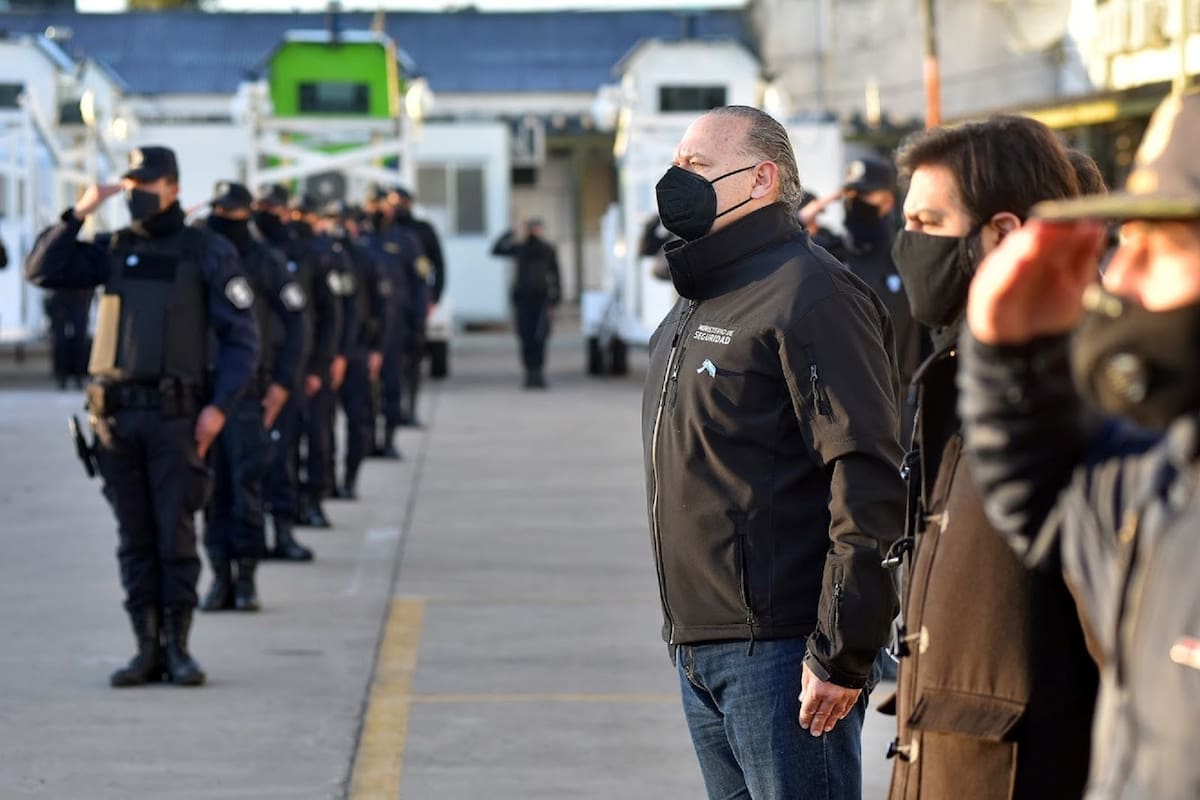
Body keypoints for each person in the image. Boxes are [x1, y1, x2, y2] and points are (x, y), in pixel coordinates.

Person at [644, 105, 905, 799]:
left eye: (696, 166)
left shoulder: (809, 292)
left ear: (761, 179)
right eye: (675, 164)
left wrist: (841, 651)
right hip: (701, 645)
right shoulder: (700, 295)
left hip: (783, 650)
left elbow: (868, 474)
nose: (676, 180)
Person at [960, 91, 1200, 800]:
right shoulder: (1169, 473)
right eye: (1126, 241)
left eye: (1163, 249)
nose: (1119, 278)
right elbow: (1055, 507)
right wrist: (1012, 357)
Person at [883, 116, 1098, 800]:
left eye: (928, 221)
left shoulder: (1078, 393)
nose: (907, 246)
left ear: (1003, 233)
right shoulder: (951, 372)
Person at [24, 146, 259, 687]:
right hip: (116, 419)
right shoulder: (112, 249)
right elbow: (42, 269)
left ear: (173, 188)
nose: (135, 195)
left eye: (146, 185)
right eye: (129, 186)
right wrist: (77, 213)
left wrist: (219, 409)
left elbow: (242, 340)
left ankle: (178, 648)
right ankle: (144, 649)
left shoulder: (207, 251)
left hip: (178, 417)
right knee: (133, 537)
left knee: (173, 534)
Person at [198, 181, 308, 612]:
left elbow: (297, 323)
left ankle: (246, 577)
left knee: (245, 487)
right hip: (206, 393)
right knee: (211, 491)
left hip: (249, 394)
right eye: (218, 211)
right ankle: (218, 574)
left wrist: (284, 383)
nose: (224, 221)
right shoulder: (200, 256)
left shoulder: (266, 262)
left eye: (232, 213)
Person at [252, 185, 336, 557]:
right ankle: (251, 538)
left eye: (272, 207)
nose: (266, 213)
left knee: (284, 452)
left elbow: (325, 314)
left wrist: (319, 365)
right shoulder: (236, 253)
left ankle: (285, 527)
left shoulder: (306, 255)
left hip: (289, 368)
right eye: (260, 206)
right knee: (246, 462)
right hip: (245, 372)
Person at [323, 202, 389, 499]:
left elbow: (380, 306)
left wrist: (377, 349)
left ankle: (350, 477)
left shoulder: (365, 257)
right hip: (326, 352)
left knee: (359, 420)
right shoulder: (321, 255)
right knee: (322, 426)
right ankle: (327, 482)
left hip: (358, 349)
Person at [290, 194, 346, 531]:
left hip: (314, 361)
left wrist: (325, 362)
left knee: (318, 435)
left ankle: (315, 499)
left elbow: (335, 314)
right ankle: (290, 503)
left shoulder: (325, 255)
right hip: (286, 364)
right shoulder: (278, 253)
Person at [389, 186, 442, 424]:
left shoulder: (422, 231)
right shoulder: (384, 232)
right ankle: (392, 411)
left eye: (399, 202)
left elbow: (437, 265)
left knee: (412, 361)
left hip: (413, 307)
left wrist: (434, 298)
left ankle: (410, 409)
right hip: (388, 311)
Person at [491, 219, 562, 389]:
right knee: (526, 337)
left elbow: (557, 275)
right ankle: (529, 374)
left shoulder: (547, 249)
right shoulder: (521, 248)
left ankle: (538, 374)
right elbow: (496, 249)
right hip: (523, 299)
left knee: (540, 337)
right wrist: (511, 231)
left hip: (541, 300)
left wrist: (555, 299)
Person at [43, 287, 93, 390]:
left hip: (79, 295)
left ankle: (78, 375)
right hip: (60, 295)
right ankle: (61, 376)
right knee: (60, 341)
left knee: (79, 341)